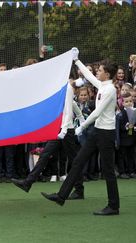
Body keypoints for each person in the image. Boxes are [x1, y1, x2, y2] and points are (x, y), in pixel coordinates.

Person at [41, 48, 120, 216]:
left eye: (100, 70)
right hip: (97, 131)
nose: (97, 72)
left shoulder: (110, 89)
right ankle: (61, 196)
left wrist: (82, 127)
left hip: (106, 134)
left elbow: (97, 113)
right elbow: (89, 77)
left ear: (107, 74)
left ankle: (113, 206)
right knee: (78, 161)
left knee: (107, 170)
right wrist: (76, 61)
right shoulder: (102, 85)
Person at [12, 82, 85, 199]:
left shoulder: (67, 94)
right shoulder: (59, 95)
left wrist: (78, 126)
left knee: (74, 161)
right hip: (59, 131)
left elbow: (74, 111)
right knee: (45, 154)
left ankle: (79, 190)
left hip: (67, 132)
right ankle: (28, 182)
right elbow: (74, 109)